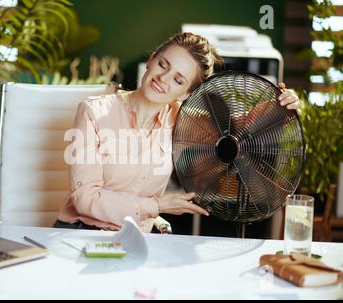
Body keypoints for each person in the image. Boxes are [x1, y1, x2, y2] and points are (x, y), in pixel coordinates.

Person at [54, 32, 301, 231]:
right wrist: (157, 206)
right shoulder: (93, 112)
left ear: (185, 95)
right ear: (150, 61)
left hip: (135, 240)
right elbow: (85, 198)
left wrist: (281, 105)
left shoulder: (181, 121)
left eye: (179, 80)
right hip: (81, 232)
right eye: (163, 64)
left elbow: (240, 128)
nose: (163, 78)